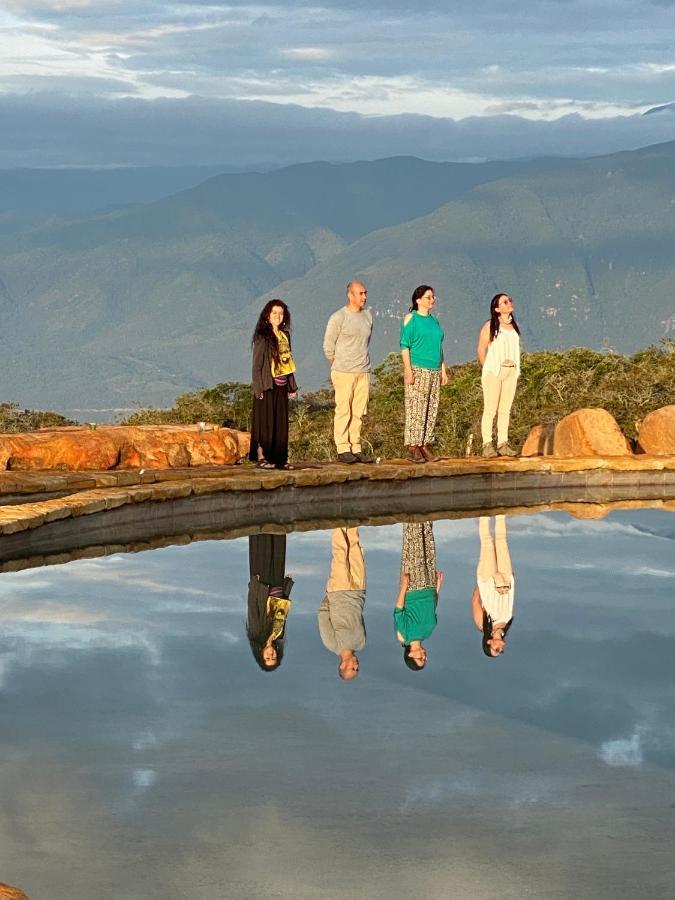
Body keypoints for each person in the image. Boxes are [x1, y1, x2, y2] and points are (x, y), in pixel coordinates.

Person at [323, 280, 373, 463]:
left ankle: (356, 446)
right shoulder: (338, 317)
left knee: (359, 411)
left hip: (363, 370)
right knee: (344, 409)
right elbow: (328, 346)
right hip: (343, 371)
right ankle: (343, 448)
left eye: (365, 293)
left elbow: (365, 343)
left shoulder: (368, 317)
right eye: (360, 293)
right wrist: (339, 365)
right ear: (350, 295)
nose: (364, 297)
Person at [400, 284, 449, 463]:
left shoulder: (434, 321)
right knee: (416, 408)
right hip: (418, 368)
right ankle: (413, 445)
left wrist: (443, 369)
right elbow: (405, 345)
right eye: (428, 297)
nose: (432, 300)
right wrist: (408, 369)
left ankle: (425, 443)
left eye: (433, 296)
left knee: (431, 407)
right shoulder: (411, 319)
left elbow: (439, 346)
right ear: (418, 300)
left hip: (434, 369)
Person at [249, 299, 297, 470]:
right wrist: (258, 388)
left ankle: (280, 459)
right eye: (274, 313)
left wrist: (292, 386)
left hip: (281, 385)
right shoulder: (262, 336)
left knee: (280, 423)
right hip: (267, 385)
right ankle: (262, 457)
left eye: (281, 313)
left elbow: (288, 363)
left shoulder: (285, 336)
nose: (278, 316)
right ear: (267, 316)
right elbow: (257, 365)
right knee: (264, 423)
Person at [317, 527, 366, 680]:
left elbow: (322, 617)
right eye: (357, 669)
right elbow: (359, 616)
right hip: (359, 590)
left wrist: (330, 596)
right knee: (354, 546)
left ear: (342, 666)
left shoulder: (332, 645)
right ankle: (351, 516)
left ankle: (337, 518)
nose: (356, 666)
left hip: (338, 591)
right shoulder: (361, 643)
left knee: (340, 550)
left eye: (353, 669)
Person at [394, 522, 444, 671]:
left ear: (410, 655)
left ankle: (411, 511)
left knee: (414, 540)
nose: (424, 656)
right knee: (428, 540)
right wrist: (438, 586)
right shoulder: (428, 633)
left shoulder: (404, 636)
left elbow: (398, 610)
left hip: (413, 587)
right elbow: (432, 607)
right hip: (429, 586)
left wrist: (404, 586)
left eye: (420, 658)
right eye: (425, 659)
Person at [476, 292, 521, 458]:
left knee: (505, 410)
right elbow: (481, 349)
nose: (509, 303)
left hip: (511, 370)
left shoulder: (514, 326)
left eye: (509, 300)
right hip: (495, 371)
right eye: (505, 302)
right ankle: (487, 444)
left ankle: (503, 443)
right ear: (497, 308)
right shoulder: (490, 325)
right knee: (490, 409)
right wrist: (487, 367)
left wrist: (516, 370)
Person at [246, 533, 294, 671]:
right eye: (274, 657)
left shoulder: (256, 634)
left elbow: (252, 606)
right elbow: (282, 607)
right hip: (277, 581)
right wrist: (287, 584)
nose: (271, 655)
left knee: (262, 543)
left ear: (260, 655)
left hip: (263, 583)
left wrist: (254, 583)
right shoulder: (279, 634)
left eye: (267, 658)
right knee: (278, 543)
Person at [470, 515, 515, 658]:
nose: (500, 649)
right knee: (502, 541)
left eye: (496, 650)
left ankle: (484, 514)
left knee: (487, 543)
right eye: (501, 651)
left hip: (487, 578)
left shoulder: (483, 625)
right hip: (506, 580)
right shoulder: (507, 623)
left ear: (489, 642)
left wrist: (480, 583)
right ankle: (501, 512)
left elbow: (475, 601)